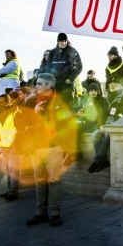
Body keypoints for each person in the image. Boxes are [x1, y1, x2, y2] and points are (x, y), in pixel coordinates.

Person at [25, 73, 77, 227]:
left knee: (54, 180)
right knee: (39, 181)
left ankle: (55, 213)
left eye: (39, 84)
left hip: (54, 147)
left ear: (49, 86)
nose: (36, 87)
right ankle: (40, 213)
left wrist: (67, 147)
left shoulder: (61, 101)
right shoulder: (32, 101)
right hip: (37, 146)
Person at [87, 75, 123, 173]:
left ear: (120, 85)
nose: (112, 86)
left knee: (108, 135)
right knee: (95, 135)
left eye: (115, 84)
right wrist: (101, 125)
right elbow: (102, 114)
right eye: (110, 84)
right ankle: (104, 161)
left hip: (118, 126)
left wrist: (111, 125)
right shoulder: (107, 98)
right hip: (106, 125)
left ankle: (97, 161)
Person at [0, 94, 20, 201]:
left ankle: (13, 192)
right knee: (9, 169)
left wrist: (17, 143)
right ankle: (10, 190)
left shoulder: (15, 112)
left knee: (13, 169)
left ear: (8, 103)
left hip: (13, 145)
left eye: (1, 102)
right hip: (4, 145)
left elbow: (21, 129)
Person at [73, 83, 108, 164]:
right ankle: (78, 155)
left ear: (98, 92)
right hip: (89, 123)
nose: (93, 93)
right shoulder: (87, 101)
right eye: (91, 91)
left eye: (95, 91)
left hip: (98, 123)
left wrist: (100, 125)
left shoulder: (102, 100)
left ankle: (101, 160)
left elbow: (102, 114)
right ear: (88, 92)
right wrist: (81, 112)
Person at [45, 33, 83, 107]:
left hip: (67, 84)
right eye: (61, 41)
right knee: (53, 106)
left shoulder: (72, 51)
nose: (63, 43)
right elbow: (48, 68)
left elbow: (79, 67)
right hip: (55, 84)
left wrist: (71, 78)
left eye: (65, 41)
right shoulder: (53, 52)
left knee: (67, 106)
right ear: (58, 41)